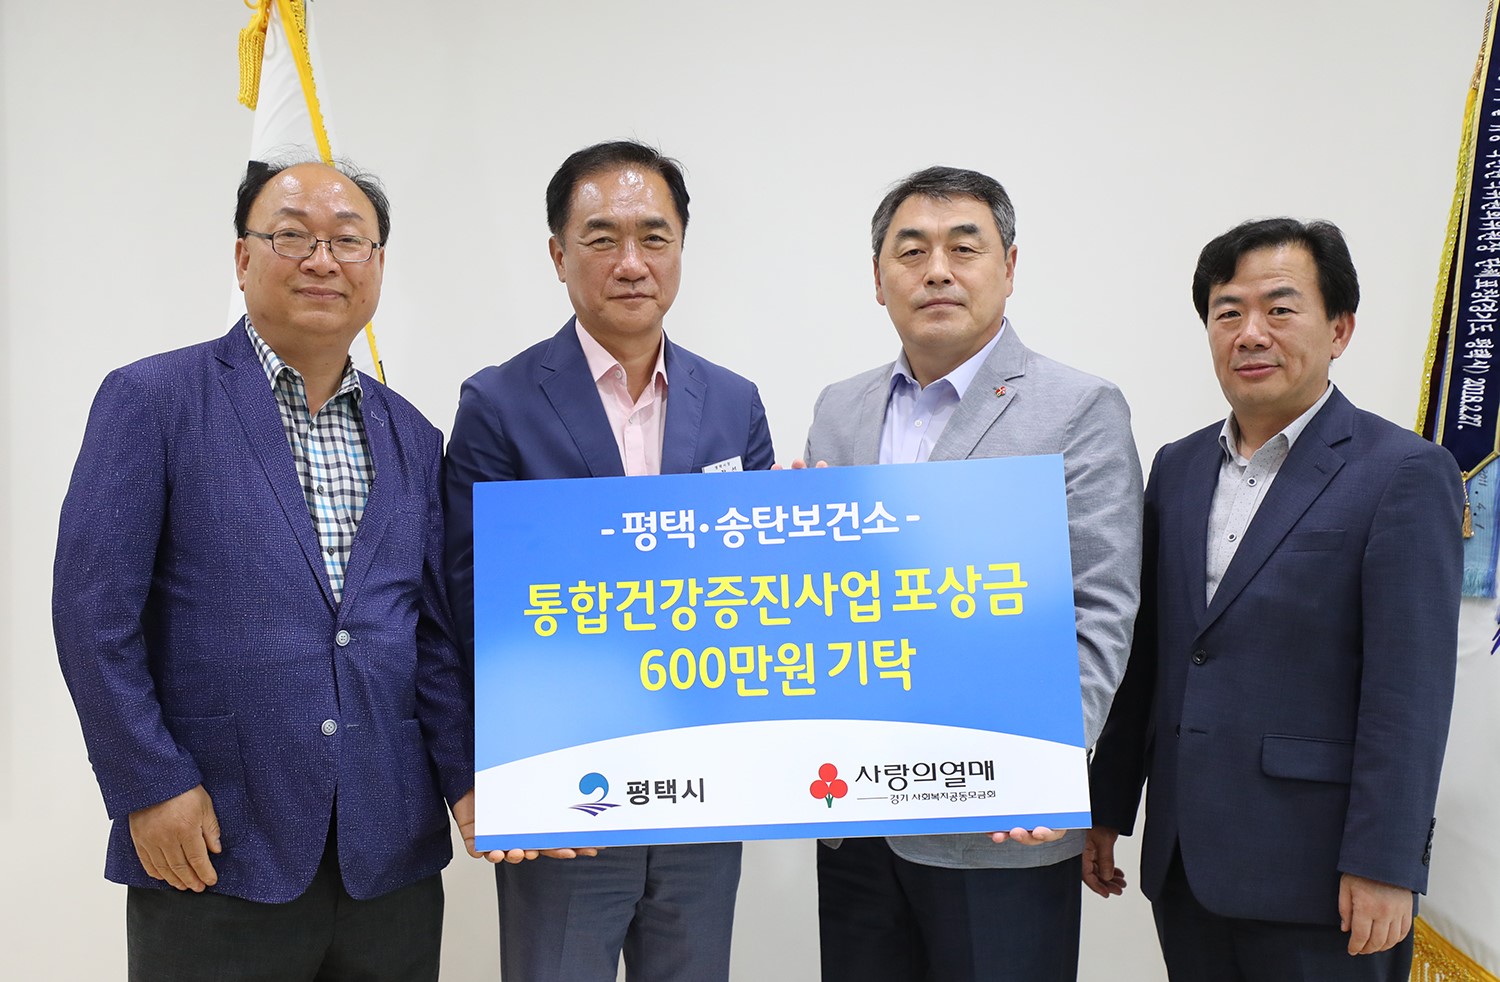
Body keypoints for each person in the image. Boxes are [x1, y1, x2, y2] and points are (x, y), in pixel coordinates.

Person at [53, 159, 476, 981]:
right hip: (212, 847)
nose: (323, 260)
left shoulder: (415, 437)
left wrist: (465, 779)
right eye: (292, 236)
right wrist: (149, 785)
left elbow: (429, 640)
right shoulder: (154, 400)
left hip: (389, 860)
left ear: (378, 264)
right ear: (243, 258)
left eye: (348, 241)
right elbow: (91, 614)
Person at [1086, 218, 1464, 981]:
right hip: (1187, 864)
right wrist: (1106, 808)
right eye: (1227, 312)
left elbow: (1409, 691)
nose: (1250, 333)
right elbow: (1149, 655)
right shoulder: (1177, 467)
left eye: (1280, 309)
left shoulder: (1404, 471)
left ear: (1340, 329)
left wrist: (1386, 863)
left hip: (1323, 877)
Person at [443, 139, 774, 982]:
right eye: (601, 238)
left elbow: (762, 594)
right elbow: (470, 600)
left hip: (704, 784)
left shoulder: (733, 402)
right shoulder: (498, 402)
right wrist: (496, 767)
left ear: (681, 248)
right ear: (559, 255)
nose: (631, 262)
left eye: (654, 237)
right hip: (565, 784)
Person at [802, 165, 1143, 981]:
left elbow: (1100, 606)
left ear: (1009, 267)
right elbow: (817, 600)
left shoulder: (1078, 406)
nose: (937, 271)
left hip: (999, 820)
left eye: (964, 248)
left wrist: (1046, 762)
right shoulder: (839, 409)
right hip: (854, 818)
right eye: (911, 251)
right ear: (878, 278)